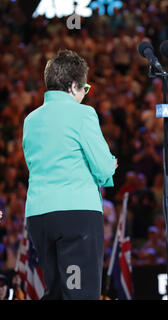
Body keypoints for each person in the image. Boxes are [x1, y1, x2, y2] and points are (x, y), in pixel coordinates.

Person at [22, 50, 117, 300]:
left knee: (54, 292)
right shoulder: (83, 114)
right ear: (73, 86)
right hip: (76, 215)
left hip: (39, 217)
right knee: (80, 293)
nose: (85, 94)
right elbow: (104, 166)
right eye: (85, 88)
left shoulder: (30, 120)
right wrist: (110, 168)